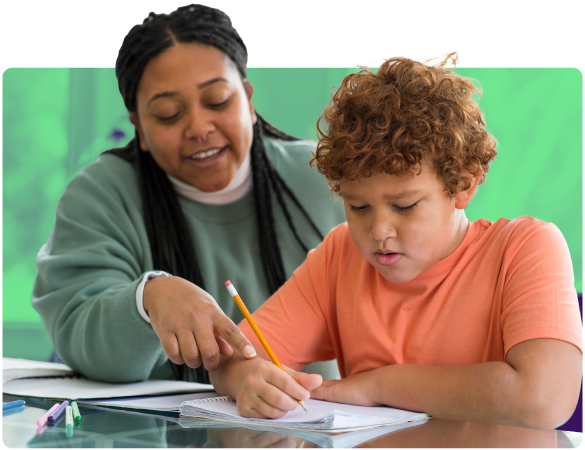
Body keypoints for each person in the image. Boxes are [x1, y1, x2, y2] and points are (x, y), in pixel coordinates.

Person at [209, 51, 584, 429]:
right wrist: (245, 378)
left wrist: (378, 385)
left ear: (463, 185)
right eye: (357, 206)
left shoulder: (526, 247)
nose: (378, 232)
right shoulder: (340, 255)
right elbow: (233, 357)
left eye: (404, 206)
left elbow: (543, 400)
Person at [31, 4, 346, 384]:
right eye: (167, 114)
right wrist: (148, 300)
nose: (199, 127)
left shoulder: (329, 176)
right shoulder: (100, 195)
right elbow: (81, 337)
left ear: (247, 100)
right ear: (140, 129)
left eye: (217, 101)